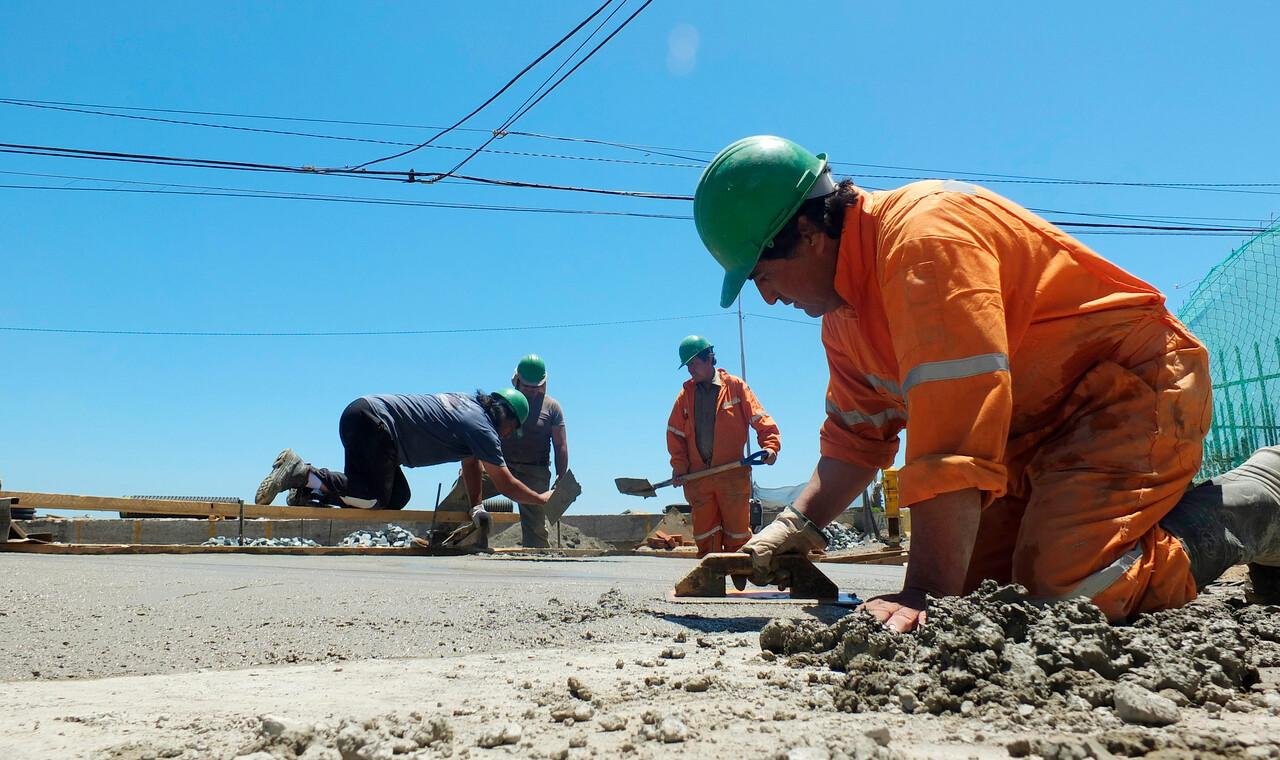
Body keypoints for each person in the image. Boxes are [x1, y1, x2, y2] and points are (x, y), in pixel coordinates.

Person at [691, 134, 1280, 631]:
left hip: (1126, 392)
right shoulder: (845, 319)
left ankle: (1259, 500)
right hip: (1027, 438)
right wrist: (794, 528)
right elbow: (855, 440)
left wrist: (921, 590)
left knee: (1068, 591)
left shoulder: (925, 242)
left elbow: (957, 425)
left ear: (808, 235)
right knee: (987, 597)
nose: (766, 295)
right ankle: (1122, 520)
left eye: (763, 274)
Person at [254, 388, 555, 543]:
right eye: (510, 430)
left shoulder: (470, 408)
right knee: (373, 499)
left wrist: (476, 505)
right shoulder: (483, 428)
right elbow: (504, 483)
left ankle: (310, 491)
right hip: (373, 425)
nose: (506, 436)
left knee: (397, 498)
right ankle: (301, 473)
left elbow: (471, 465)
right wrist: (542, 499)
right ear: (507, 417)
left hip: (365, 417)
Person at [666, 335, 781, 557]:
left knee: (737, 537)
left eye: (694, 363)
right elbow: (675, 435)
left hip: (732, 476)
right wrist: (680, 468)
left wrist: (770, 446)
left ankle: (739, 578)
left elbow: (759, 418)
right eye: (688, 365)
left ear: (709, 359)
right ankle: (711, 583)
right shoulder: (685, 397)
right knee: (705, 538)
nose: (690, 370)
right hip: (698, 479)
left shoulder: (735, 387)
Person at [438, 355, 569, 548]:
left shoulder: (552, 407)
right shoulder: (502, 402)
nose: (531, 392)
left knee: (536, 527)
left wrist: (561, 475)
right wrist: (474, 465)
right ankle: (437, 536)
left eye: (536, 388)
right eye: (526, 387)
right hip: (499, 465)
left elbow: (560, 444)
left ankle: (537, 557)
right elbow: (483, 433)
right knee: (463, 490)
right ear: (516, 380)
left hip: (534, 471)